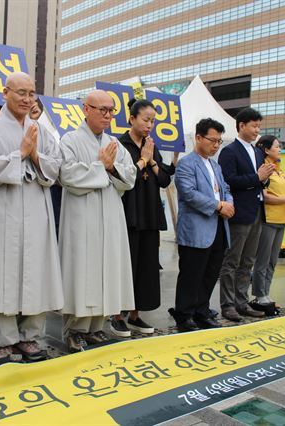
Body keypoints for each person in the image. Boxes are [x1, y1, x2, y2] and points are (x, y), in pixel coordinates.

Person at [0, 72, 63, 364]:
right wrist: (20, 153)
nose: (27, 99)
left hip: (35, 208)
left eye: (31, 93)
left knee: (35, 270)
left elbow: (55, 168)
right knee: (1, 273)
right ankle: (3, 342)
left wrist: (35, 157)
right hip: (1, 208)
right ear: (5, 92)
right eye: (21, 92)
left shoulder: (42, 131)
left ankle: (30, 336)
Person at [59, 89, 136, 352]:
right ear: (85, 109)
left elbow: (130, 176)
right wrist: (101, 167)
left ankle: (95, 327)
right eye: (101, 109)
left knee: (107, 269)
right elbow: (67, 174)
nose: (107, 114)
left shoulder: (114, 143)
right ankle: (75, 329)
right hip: (82, 216)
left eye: (111, 110)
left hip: (111, 214)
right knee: (83, 269)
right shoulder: (70, 140)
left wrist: (112, 167)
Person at [111, 99, 171, 337]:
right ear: (132, 118)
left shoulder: (151, 145)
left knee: (146, 266)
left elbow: (165, 179)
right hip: (128, 211)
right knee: (125, 264)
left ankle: (135, 314)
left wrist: (152, 159)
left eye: (153, 121)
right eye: (146, 120)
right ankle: (117, 314)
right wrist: (143, 160)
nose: (149, 125)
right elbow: (122, 178)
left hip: (149, 211)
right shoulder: (119, 144)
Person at [172, 118, 234, 332]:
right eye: (212, 140)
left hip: (218, 227)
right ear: (198, 137)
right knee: (191, 274)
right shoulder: (186, 164)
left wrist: (229, 205)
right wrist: (218, 206)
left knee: (210, 273)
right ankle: (184, 315)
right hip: (196, 229)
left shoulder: (215, 165)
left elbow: (226, 188)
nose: (216, 145)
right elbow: (189, 194)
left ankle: (201, 310)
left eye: (219, 141)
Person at [217, 107, 274, 322]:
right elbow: (228, 181)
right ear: (241, 125)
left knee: (248, 261)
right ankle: (228, 304)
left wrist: (265, 178)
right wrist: (257, 178)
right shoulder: (230, 151)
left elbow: (260, 180)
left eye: (259, 126)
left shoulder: (258, 151)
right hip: (239, 213)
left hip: (257, 211)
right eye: (254, 126)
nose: (257, 130)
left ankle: (242, 302)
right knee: (231, 261)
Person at [252, 136, 285, 305]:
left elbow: (283, 194)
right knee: (263, 260)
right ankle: (259, 294)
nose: (280, 149)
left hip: (282, 219)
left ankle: (266, 292)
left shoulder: (280, 170)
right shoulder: (264, 168)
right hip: (268, 218)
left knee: (272, 260)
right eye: (277, 146)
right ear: (267, 150)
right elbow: (264, 195)